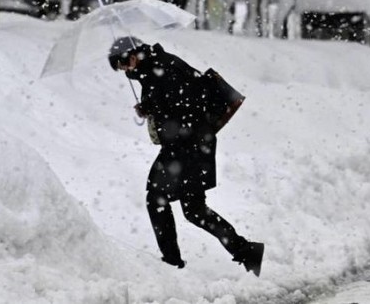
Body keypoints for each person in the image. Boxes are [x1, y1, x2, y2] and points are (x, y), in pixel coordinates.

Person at [108, 36, 264, 275]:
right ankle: (246, 250)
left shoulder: (164, 67)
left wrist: (153, 108)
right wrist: (150, 108)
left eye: (124, 65)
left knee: (157, 198)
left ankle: (171, 263)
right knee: (194, 210)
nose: (125, 71)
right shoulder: (152, 68)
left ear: (132, 56)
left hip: (187, 145)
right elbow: (171, 102)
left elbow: (186, 105)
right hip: (191, 143)